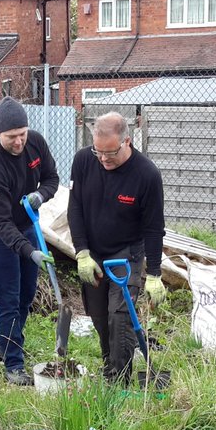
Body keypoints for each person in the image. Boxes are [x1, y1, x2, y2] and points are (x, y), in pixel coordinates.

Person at [67, 111, 166, 384]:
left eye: (110, 153)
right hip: (94, 253)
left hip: (127, 252)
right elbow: (75, 207)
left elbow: (154, 228)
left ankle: (119, 383)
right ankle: (110, 367)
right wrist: (82, 251)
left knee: (119, 318)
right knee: (99, 318)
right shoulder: (84, 160)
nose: (103, 159)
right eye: (98, 151)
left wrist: (155, 273)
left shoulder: (146, 175)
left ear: (127, 142)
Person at [0, 96, 60, 386]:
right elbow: (0, 223)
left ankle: (7, 343)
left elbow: (52, 178)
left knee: (26, 293)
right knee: (8, 296)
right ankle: (13, 364)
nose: (19, 142)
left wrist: (41, 195)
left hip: (25, 223)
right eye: (12, 137)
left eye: (22, 134)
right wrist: (29, 251)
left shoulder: (35, 142)